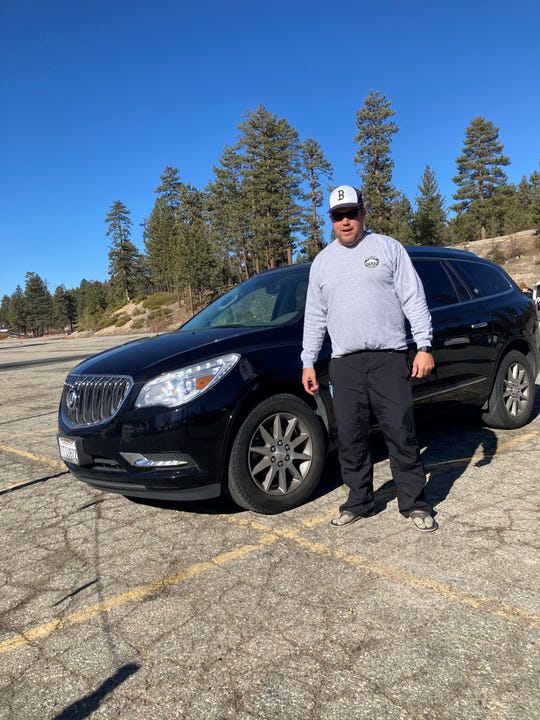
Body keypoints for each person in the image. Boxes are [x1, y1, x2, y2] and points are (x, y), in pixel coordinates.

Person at [301, 185, 438, 532]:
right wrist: (307, 360)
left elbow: (413, 298)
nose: (345, 221)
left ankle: (414, 502)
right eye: (337, 216)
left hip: (389, 359)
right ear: (330, 221)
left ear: (363, 213)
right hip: (344, 364)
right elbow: (315, 316)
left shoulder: (388, 249)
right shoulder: (322, 263)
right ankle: (359, 501)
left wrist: (423, 345)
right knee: (350, 436)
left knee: (400, 432)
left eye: (351, 213)